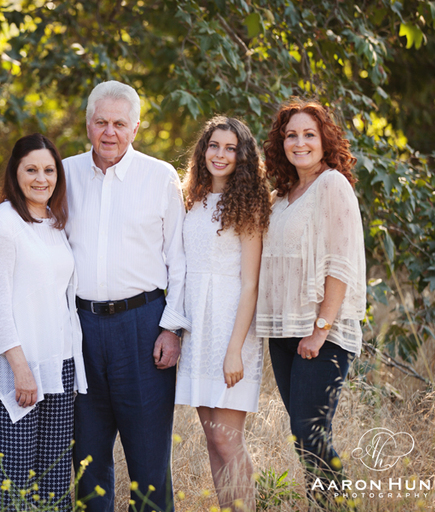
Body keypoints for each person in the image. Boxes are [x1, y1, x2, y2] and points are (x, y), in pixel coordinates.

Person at [64, 80, 187, 512]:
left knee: (149, 460)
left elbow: (180, 260)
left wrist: (172, 328)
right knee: (87, 459)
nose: (109, 132)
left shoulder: (160, 177)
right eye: (101, 122)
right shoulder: (63, 173)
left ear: (136, 128)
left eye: (120, 123)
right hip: (79, 328)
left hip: (143, 326)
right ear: (88, 124)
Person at [257, 99, 366, 508]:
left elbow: (341, 262)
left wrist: (320, 330)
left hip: (322, 334)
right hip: (285, 333)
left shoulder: (332, 185)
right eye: (291, 135)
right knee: (303, 435)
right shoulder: (281, 196)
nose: (299, 143)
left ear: (324, 140)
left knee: (310, 429)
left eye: (308, 134)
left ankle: (339, 506)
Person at [0, 134, 88, 511]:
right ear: (15, 173)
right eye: (31, 170)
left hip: (58, 365)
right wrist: (20, 368)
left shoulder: (55, 221)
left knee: (55, 480)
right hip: (19, 369)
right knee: (11, 484)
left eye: (49, 169)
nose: (41, 178)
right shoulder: (4, 221)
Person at [176, 116, 271, 510]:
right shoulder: (191, 199)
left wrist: (235, 349)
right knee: (212, 439)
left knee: (227, 440)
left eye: (230, 148)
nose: (220, 154)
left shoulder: (249, 203)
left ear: (243, 156)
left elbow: (250, 283)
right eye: (214, 145)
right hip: (198, 328)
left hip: (232, 327)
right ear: (203, 150)